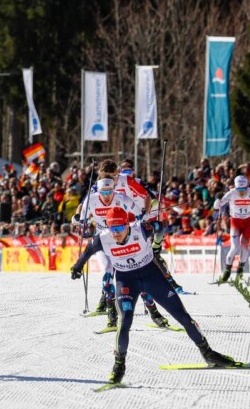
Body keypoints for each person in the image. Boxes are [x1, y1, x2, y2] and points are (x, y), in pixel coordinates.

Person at [70, 207, 234, 384]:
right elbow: (87, 252)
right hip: (126, 282)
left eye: (119, 228)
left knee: (183, 316)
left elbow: (160, 225)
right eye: (112, 229)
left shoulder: (140, 229)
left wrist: (156, 244)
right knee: (124, 321)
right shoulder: (102, 239)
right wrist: (77, 268)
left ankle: (207, 353)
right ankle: (119, 366)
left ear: (127, 224)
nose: (115, 233)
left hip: (152, 276)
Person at [72, 175, 166, 331]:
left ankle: (155, 313)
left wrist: (141, 217)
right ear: (98, 191)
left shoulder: (121, 197)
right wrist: (80, 224)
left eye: (110, 192)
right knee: (108, 273)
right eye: (104, 193)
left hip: (122, 236)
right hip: (104, 239)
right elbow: (80, 218)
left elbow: (138, 214)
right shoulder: (92, 198)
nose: (107, 196)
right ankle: (112, 317)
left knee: (136, 275)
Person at [115, 158, 186, 293]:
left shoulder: (138, 182)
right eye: (123, 170)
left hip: (141, 219)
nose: (126, 172)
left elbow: (152, 199)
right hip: (125, 223)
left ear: (133, 171)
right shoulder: (115, 184)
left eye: (129, 169)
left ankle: (170, 281)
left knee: (154, 246)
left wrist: (147, 210)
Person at [215, 175, 250, 282]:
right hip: (235, 221)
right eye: (239, 190)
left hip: (249, 222)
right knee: (235, 246)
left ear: (247, 187)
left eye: (243, 190)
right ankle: (227, 272)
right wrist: (217, 200)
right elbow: (217, 206)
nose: (241, 192)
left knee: (244, 245)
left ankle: (240, 270)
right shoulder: (231, 193)